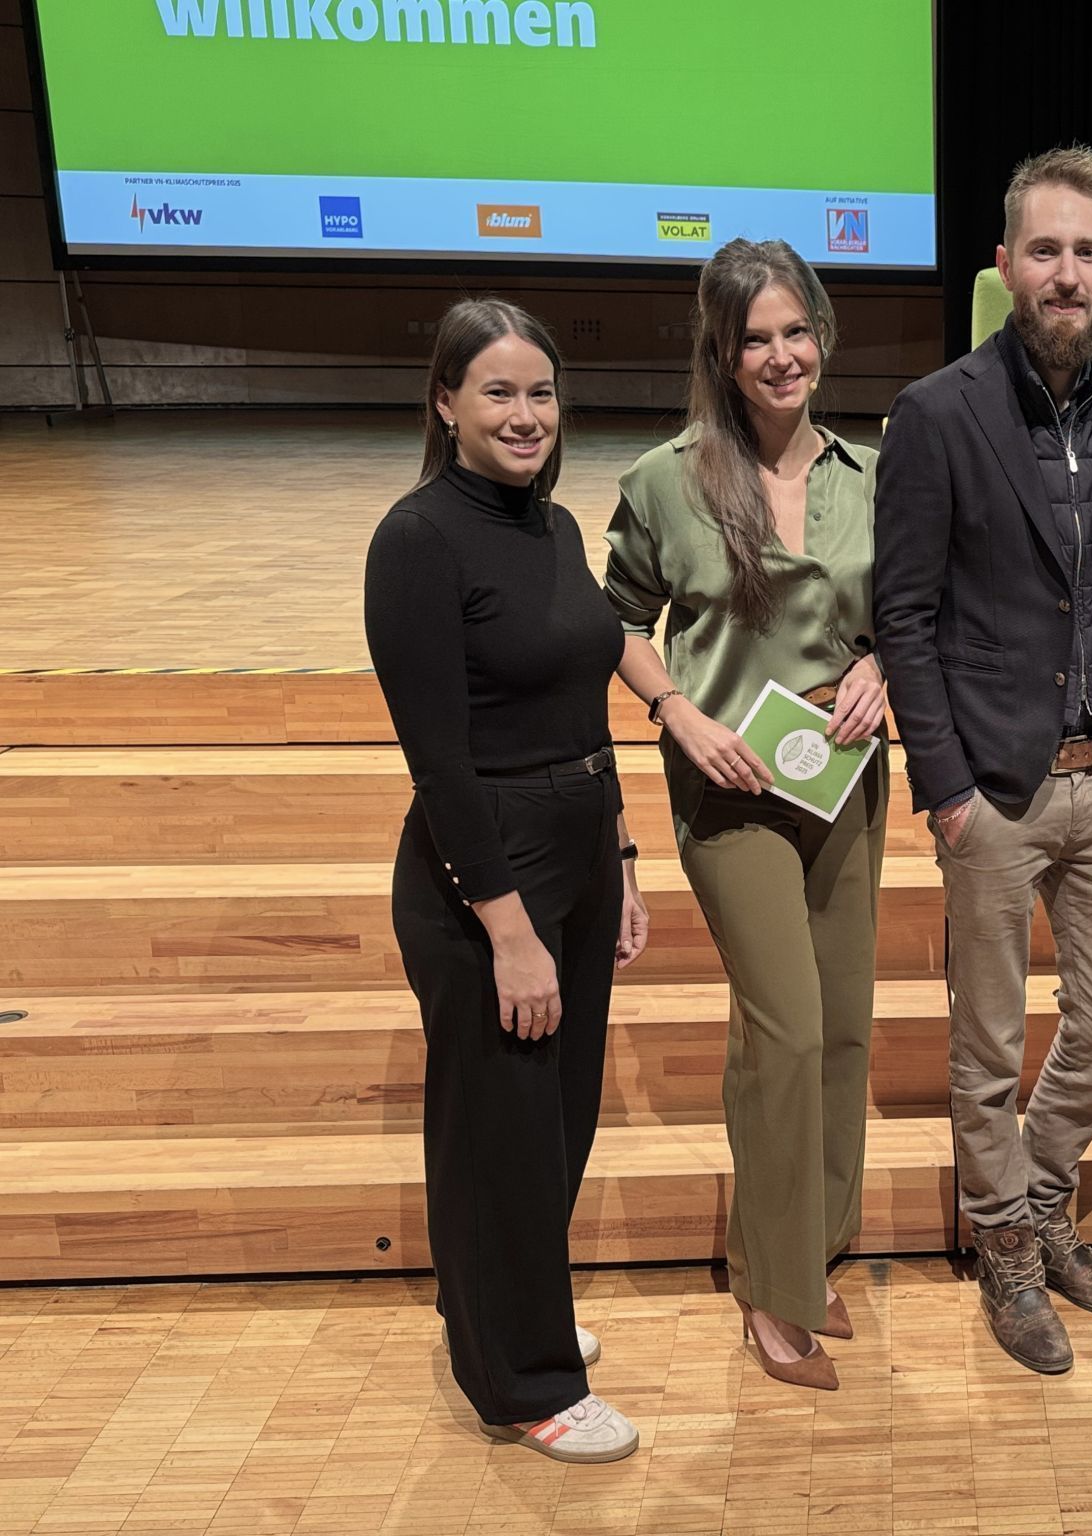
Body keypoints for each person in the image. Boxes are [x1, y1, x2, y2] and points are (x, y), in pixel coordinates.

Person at [874, 146, 1092, 1374]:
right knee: (987, 1043)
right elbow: (905, 614)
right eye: (1041, 250)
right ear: (1003, 266)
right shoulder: (936, 413)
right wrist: (940, 789)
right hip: (988, 787)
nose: (1065, 273)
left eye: (1086, 251)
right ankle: (1003, 1243)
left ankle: (1036, 1202)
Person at [365, 299, 647, 1463]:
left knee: (554, 1121)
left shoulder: (554, 526)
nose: (525, 414)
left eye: (539, 393)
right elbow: (438, 761)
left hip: (576, 840)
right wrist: (509, 932)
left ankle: (497, 1317)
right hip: (489, 870)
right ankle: (525, 1383)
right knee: (507, 1128)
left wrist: (620, 855)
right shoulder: (417, 539)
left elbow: (583, 699)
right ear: (445, 404)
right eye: (497, 393)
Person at [604, 239, 889, 1392]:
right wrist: (675, 711)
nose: (780, 356)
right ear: (721, 354)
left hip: (842, 778)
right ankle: (771, 1290)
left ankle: (804, 1248)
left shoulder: (873, 476)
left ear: (821, 335)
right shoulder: (666, 479)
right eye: (754, 338)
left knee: (846, 1028)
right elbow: (615, 622)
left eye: (795, 331)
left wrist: (891, 674)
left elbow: (907, 614)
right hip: (730, 787)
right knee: (781, 1024)